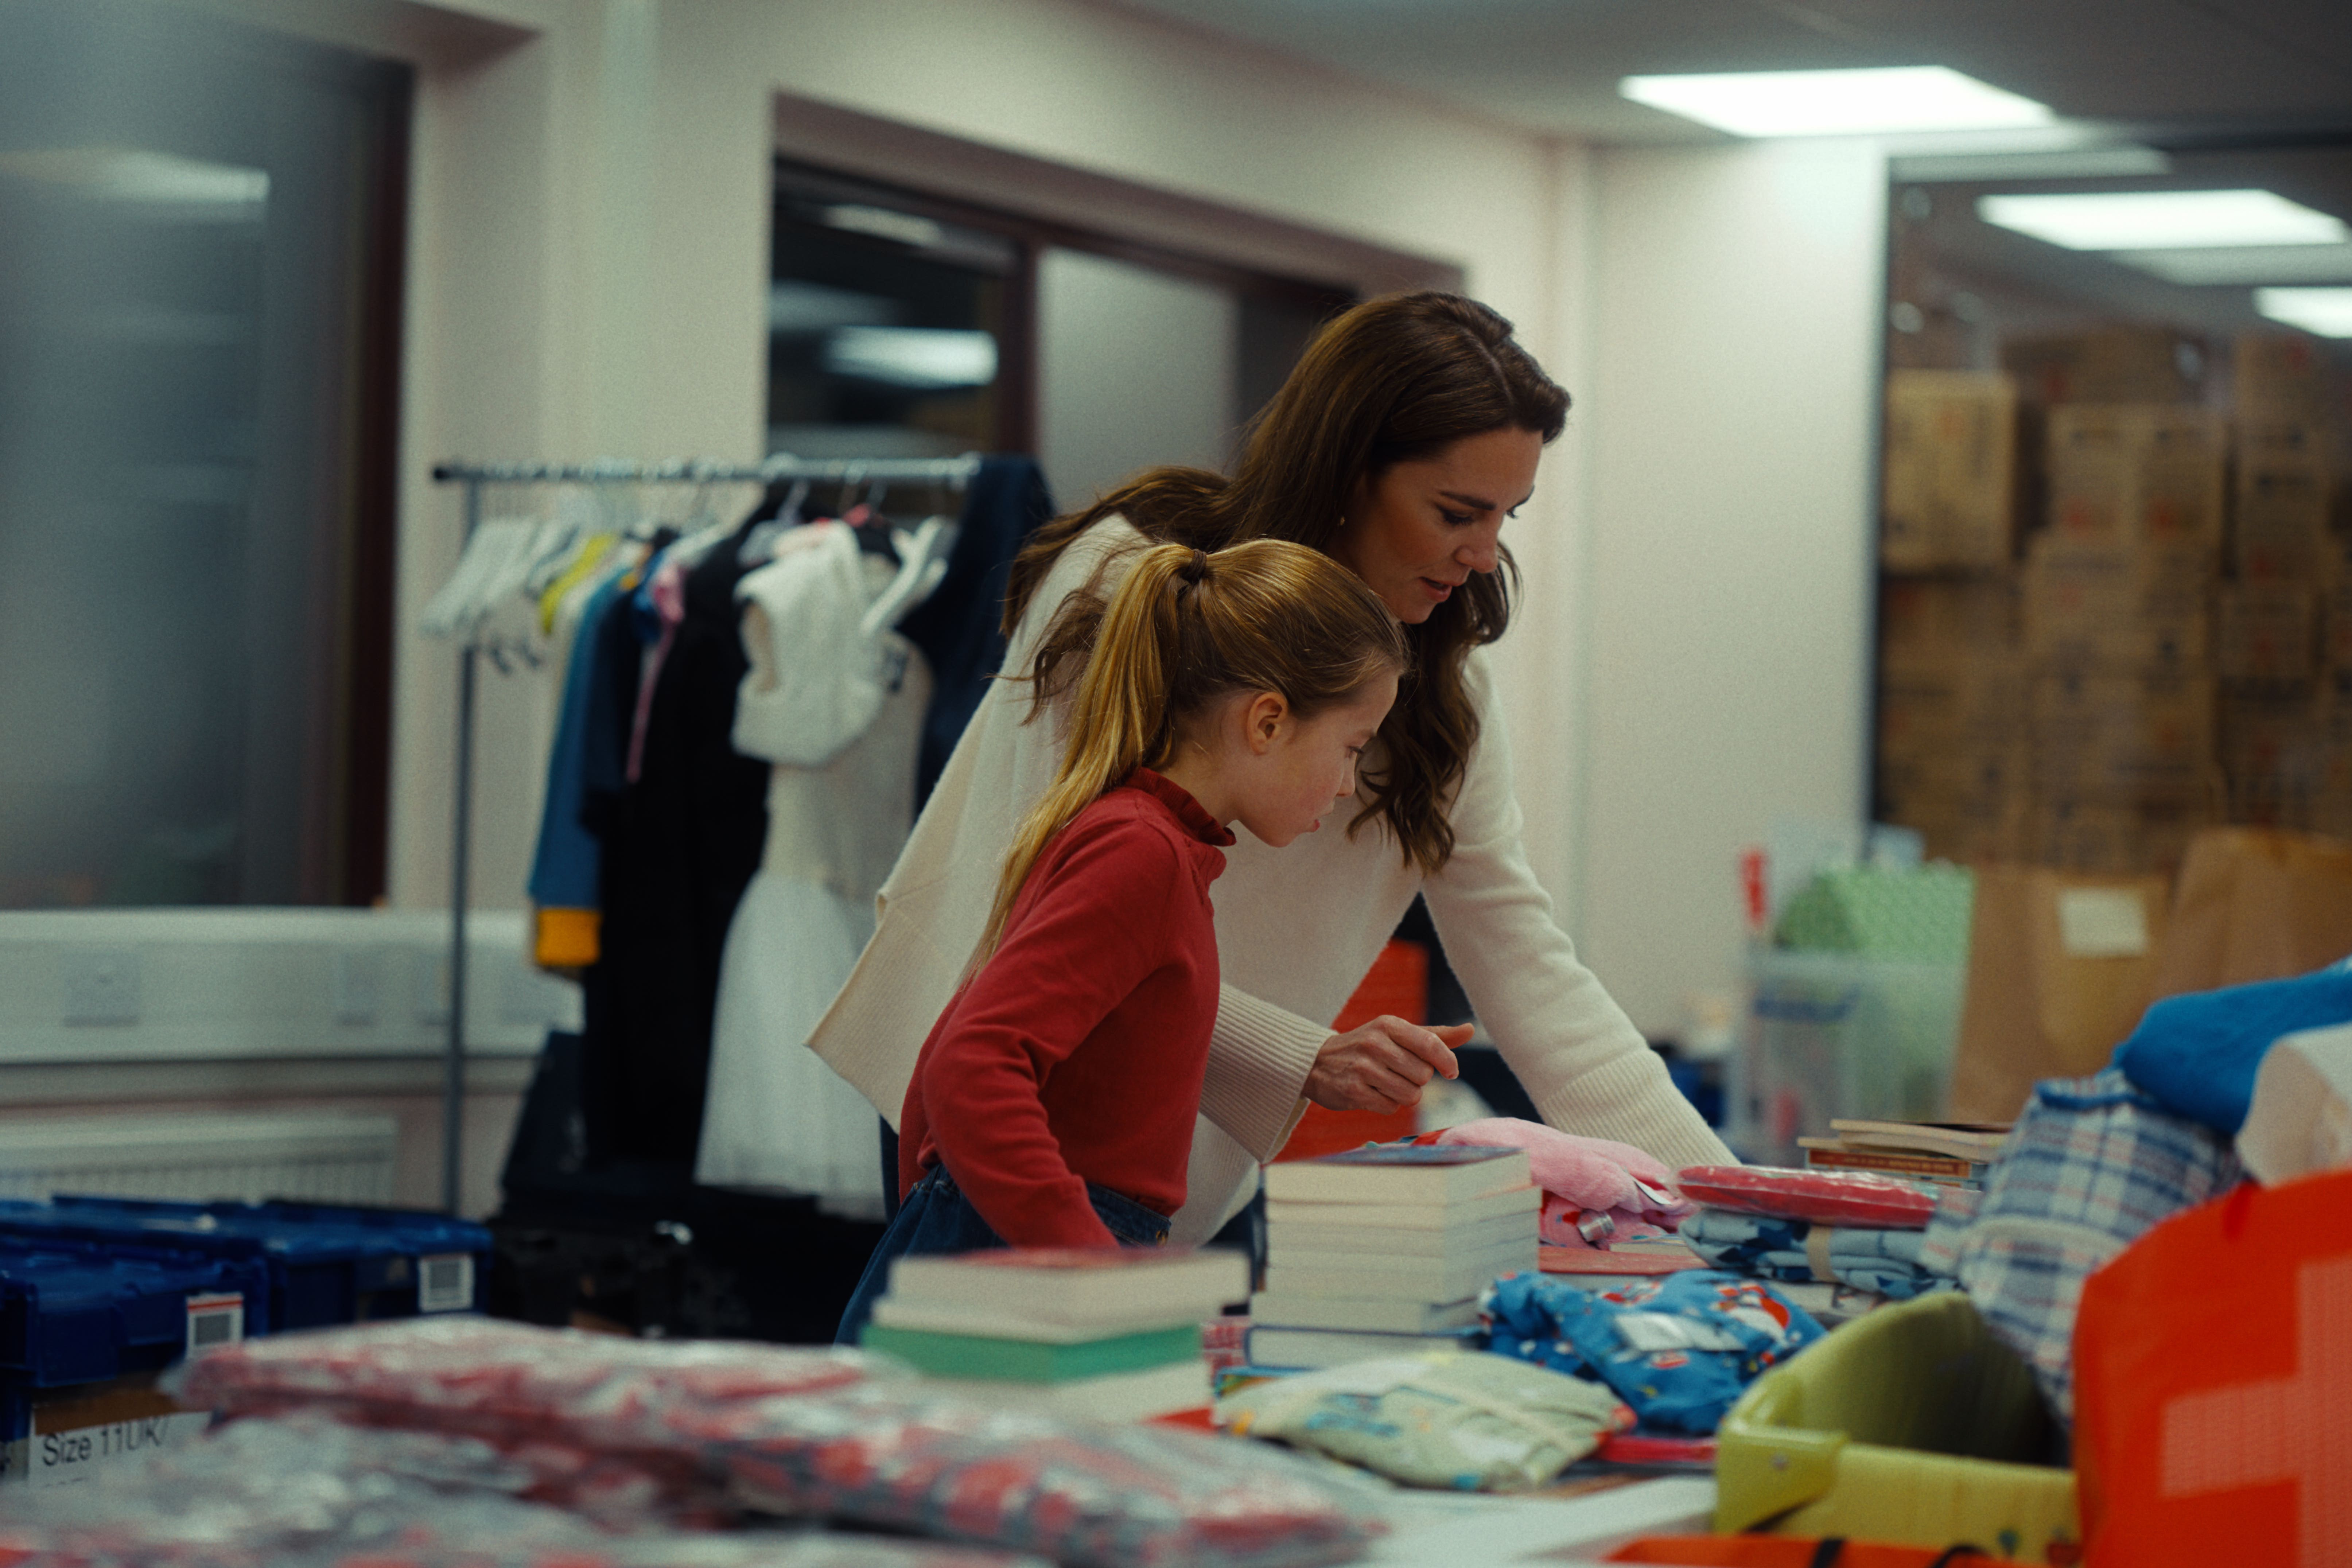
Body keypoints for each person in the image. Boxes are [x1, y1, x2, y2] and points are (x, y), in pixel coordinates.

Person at [812, 290, 1735, 1250]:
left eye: (1506, 515)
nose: (1481, 553)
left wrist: (1727, 1199)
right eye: (1456, 511)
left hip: (1175, 1137)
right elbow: (1029, 918)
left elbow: (1520, 952)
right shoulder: (1130, 581)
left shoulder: (1439, 683)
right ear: (1346, 472)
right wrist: (1303, 1054)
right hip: (1001, 1106)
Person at [834, 539, 1407, 1342]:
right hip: (1018, 1269)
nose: (1349, 783)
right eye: (1351, 747)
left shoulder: (1150, 844)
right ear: (1268, 720)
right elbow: (972, 1065)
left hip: (1008, 1246)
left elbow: (950, 1062)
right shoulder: (1140, 854)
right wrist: (1090, 1271)